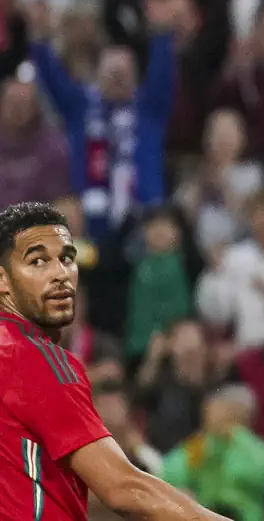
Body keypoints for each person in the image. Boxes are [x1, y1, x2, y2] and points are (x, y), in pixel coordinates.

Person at [0, 201, 229, 520]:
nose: (60, 275)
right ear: (3, 281)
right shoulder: (34, 358)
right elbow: (122, 487)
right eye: (38, 261)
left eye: (67, 258)